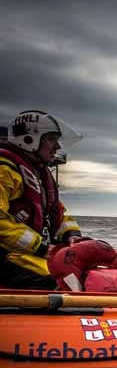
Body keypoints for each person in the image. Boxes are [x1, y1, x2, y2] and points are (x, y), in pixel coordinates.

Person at [0, 110, 84, 290]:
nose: (57, 147)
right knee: (62, 282)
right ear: (30, 140)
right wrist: (41, 247)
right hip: (7, 254)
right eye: (52, 139)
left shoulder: (38, 176)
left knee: (80, 275)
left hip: (30, 252)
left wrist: (72, 235)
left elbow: (57, 214)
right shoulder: (5, 172)